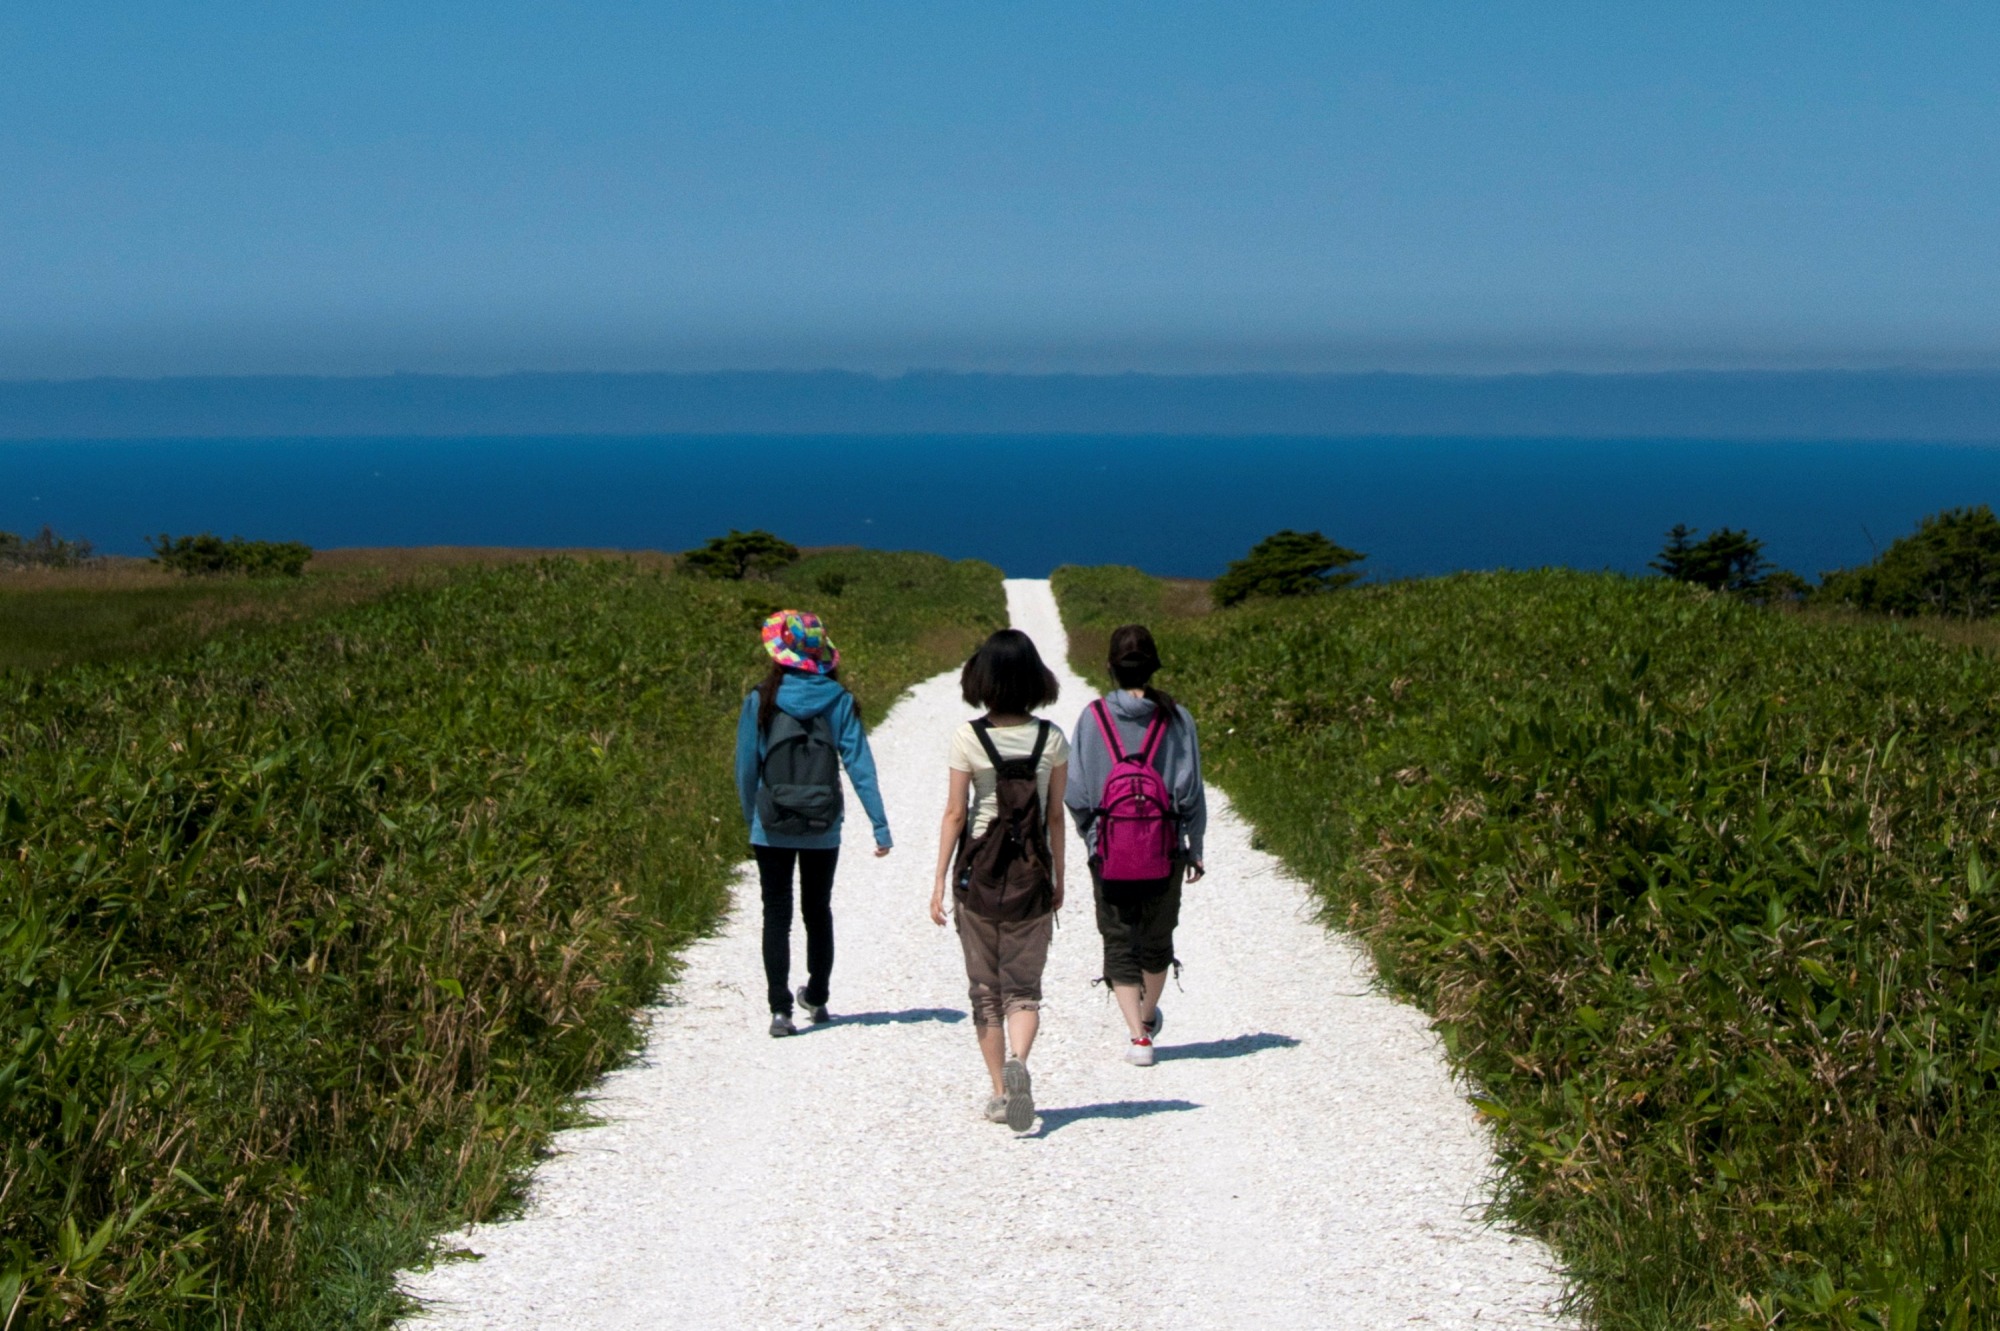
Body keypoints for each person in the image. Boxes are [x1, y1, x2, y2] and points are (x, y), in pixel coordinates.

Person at [930, 629, 1069, 1131]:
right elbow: (1055, 816)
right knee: (1024, 988)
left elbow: (953, 814)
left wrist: (938, 882)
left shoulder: (969, 737)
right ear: (1036, 678)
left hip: (979, 878)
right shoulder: (1051, 737)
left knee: (984, 990)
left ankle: (997, 1092)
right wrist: (1058, 877)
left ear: (981, 678)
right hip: (1031, 875)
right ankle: (1021, 1062)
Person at [735, 609, 891, 1038]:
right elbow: (860, 765)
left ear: (778, 653)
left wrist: (753, 820)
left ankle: (780, 1010)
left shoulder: (761, 698)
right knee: (817, 910)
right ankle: (817, 996)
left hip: (772, 822)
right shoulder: (838, 700)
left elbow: (747, 769)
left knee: (776, 913)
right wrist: (880, 826)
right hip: (824, 823)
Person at [1065, 623, 1207, 1066]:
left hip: (1109, 848)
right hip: (1164, 847)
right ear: (1153, 667)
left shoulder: (1093, 718)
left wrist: (1093, 834)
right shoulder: (1177, 717)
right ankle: (1148, 1018)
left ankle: (1137, 1039)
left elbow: (1078, 793)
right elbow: (1192, 792)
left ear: (1109, 668)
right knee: (1158, 937)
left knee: (1118, 936)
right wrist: (1195, 846)